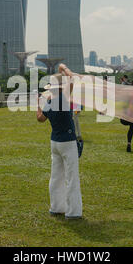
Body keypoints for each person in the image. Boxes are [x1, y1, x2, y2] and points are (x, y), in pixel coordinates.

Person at [36, 64, 83, 220]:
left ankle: (56, 207)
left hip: (54, 142)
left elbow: (40, 119)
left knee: (56, 176)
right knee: (71, 177)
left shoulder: (49, 102)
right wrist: (64, 68)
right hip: (67, 142)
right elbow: (73, 78)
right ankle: (73, 212)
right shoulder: (63, 99)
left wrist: (38, 104)